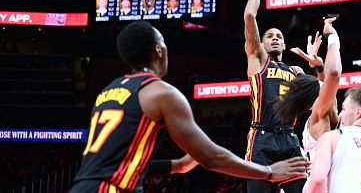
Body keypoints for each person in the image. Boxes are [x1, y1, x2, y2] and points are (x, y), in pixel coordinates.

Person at [69, 21, 308, 192]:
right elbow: (212, 158)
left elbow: (115, 161)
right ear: (159, 51)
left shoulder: (107, 91)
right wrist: (269, 172)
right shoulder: (160, 92)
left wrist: (178, 166)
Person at [244, 0, 307, 193]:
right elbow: (250, 16)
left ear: (284, 45)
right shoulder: (259, 60)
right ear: (260, 43)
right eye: (269, 35)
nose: (274, 39)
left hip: (290, 140)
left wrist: (314, 70)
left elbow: (318, 105)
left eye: (279, 36)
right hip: (262, 137)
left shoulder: (295, 72)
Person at [273, 17, 342, 192]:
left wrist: (318, 66)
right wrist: (332, 37)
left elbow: (323, 83)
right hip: (324, 185)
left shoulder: (317, 118)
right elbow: (333, 74)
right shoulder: (320, 116)